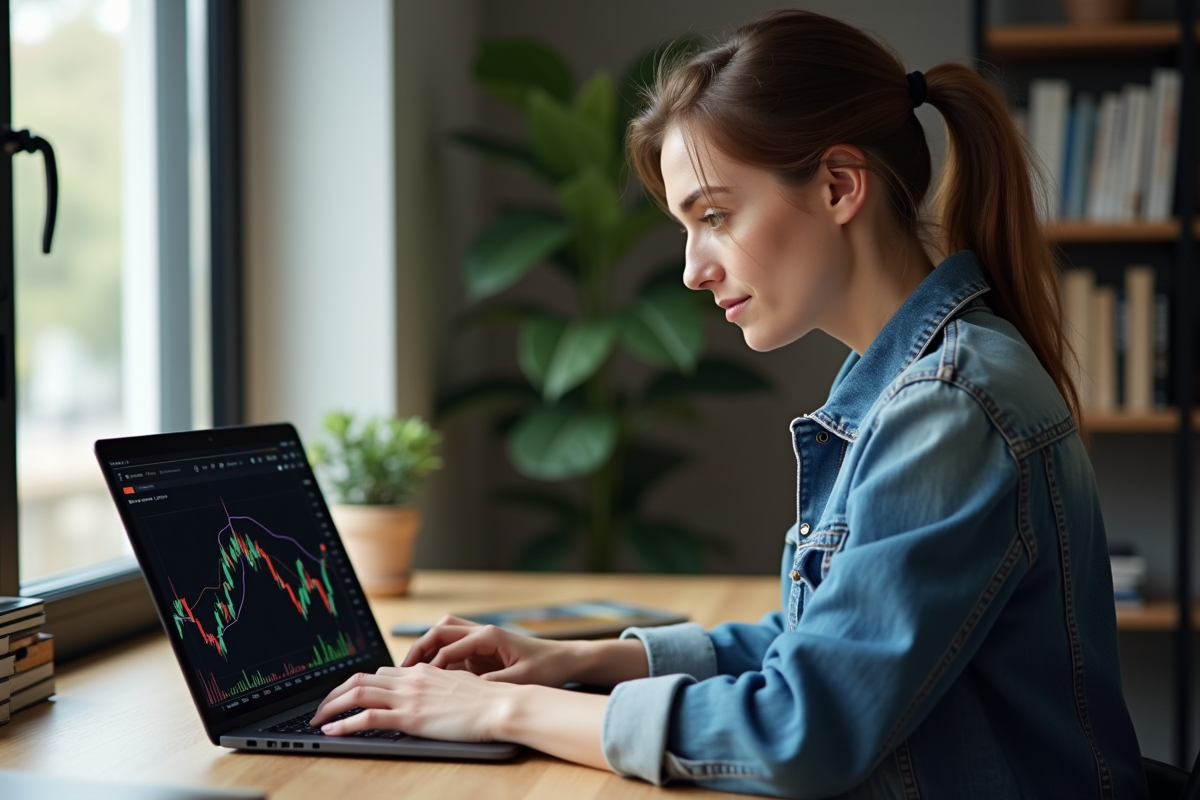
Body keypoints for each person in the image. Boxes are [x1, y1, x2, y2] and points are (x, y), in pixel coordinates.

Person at [309, 9, 1147, 798]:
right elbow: (817, 645)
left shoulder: (948, 406)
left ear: (838, 186)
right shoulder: (914, 382)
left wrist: (498, 709)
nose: (691, 269)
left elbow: (804, 727)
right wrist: (584, 660)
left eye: (714, 215)